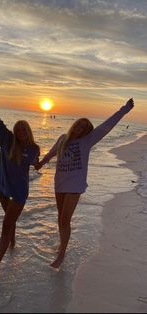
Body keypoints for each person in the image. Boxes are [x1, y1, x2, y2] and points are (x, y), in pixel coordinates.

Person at [35, 98, 134, 269]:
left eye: (83, 127)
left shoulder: (87, 141)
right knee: (60, 218)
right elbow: (51, 154)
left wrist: (124, 109)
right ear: (73, 125)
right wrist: (40, 163)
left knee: (65, 219)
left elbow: (106, 126)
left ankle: (62, 254)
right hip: (59, 183)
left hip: (75, 185)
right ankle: (61, 245)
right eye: (78, 125)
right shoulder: (62, 138)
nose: (78, 128)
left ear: (86, 132)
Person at [0, 91, 40, 285]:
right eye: (18, 129)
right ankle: (12, 241)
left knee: (5, 225)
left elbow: (35, 163)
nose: (21, 133)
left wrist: (40, 163)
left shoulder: (34, 148)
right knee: (9, 222)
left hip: (19, 193)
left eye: (24, 130)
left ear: (28, 132)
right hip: (3, 187)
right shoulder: (6, 138)